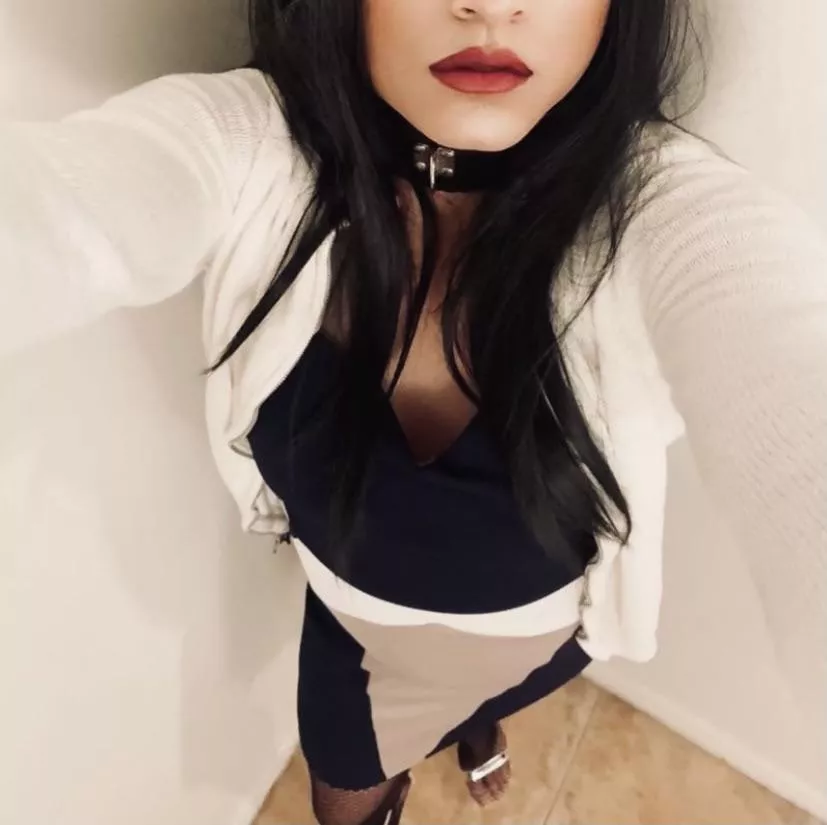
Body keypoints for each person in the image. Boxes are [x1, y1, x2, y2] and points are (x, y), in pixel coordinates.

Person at [2, 1, 826, 823]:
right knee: (341, 801)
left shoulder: (663, 212)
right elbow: (64, 210)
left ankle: (474, 720)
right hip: (346, 619)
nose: (491, 6)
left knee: (474, 698)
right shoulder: (255, 144)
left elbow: (781, 354)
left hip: (522, 642)